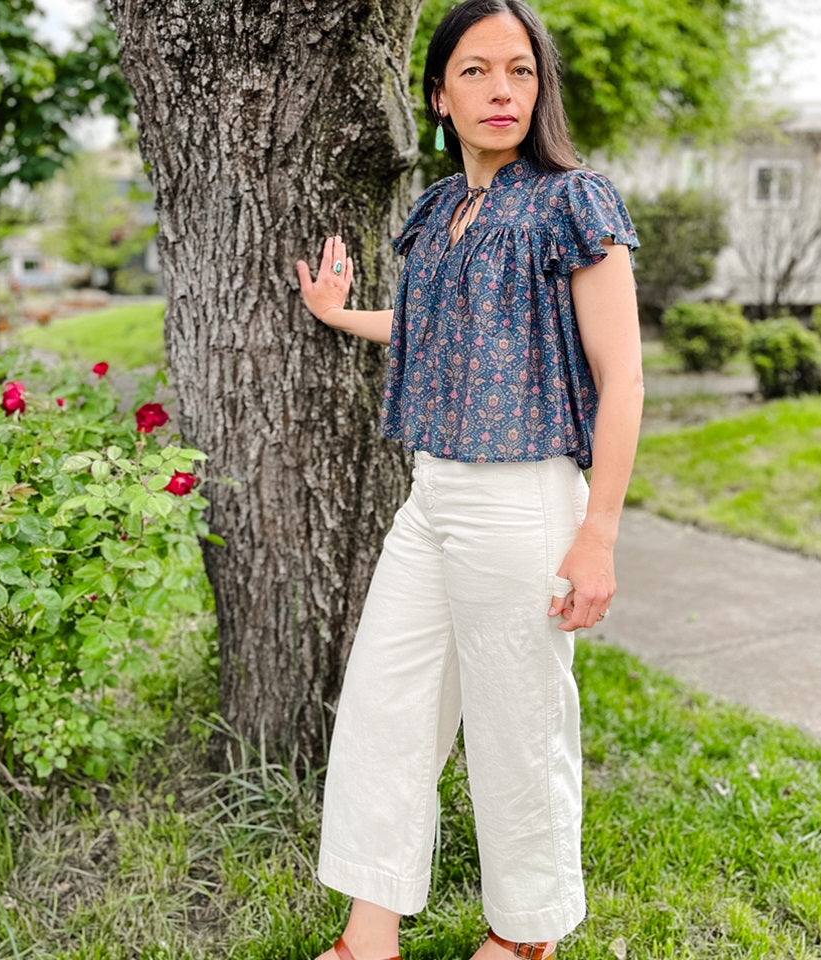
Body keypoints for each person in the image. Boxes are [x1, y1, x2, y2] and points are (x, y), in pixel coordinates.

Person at [295, 1, 642, 957]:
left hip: (523, 497)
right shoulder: (441, 210)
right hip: (433, 492)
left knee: (517, 728)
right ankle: (369, 935)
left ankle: (525, 936)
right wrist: (340, 314)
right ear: (440, 94)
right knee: (385, 707)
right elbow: (435, 337)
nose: (502, 91)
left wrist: (598, 534)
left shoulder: (573, 201)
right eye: (479, 71)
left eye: (521, 72)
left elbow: (623, 378)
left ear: (541, 88)